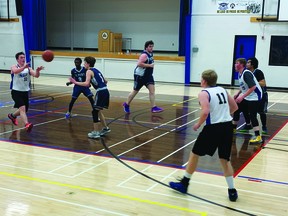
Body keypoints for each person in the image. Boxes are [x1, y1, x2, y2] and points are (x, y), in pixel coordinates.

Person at [169, 69, 239, 202]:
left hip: (213, 128)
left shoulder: (203, 93)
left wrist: (198, 124)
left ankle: (184, 184)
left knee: (194, 154)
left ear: (204, 81)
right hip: (227, 127)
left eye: (201, 79)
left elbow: (205, 111)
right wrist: (224, 115)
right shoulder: (223, 90)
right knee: (224, 159)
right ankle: (232, 191)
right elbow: (235, 107)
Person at [69, 56, 110, 139]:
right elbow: (105, 81)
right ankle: (105, 128)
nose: (83, 64)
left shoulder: (88, 71)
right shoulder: (96, 70)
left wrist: (75, 82)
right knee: (98, 111)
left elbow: (86, 84)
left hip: (101, 92)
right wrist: (94, 82)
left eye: (84, 63)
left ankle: (96, 132)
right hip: (105, 91)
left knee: (94, 112)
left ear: (88, 63)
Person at [122, 40, 163, 113]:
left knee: (152, 91)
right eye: (150, 46)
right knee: (135, 91)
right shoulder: (144, 55)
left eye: (152, 46)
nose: (151, 48)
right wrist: (149, 65)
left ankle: (154, 107)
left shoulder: (151, 54)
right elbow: (139, 64)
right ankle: (126, 104)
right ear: (146, 47)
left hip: (148, 76)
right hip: (140, 76)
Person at [8, 52, 44, 132]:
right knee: (22, 109)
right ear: (17, 59)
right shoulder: (14, 66)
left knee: (25, 109)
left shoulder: (28, 68)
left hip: (25, 92)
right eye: (21, 57)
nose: (23, 59)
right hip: (16, 92)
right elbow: (16, 71)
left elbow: (36, 75)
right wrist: (24, 67)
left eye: (24, 57)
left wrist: (38, 71)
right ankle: (27, 124)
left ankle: (12, 116)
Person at [232, 58, 263, 143]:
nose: (235, 65)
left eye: (237, 63)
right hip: (248, 96)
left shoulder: (246, 73)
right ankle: (233, 130)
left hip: (255, 97)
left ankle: (258, 137)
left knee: (252, 116)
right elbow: (243, 86)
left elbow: (253, 87)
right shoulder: (240, 73)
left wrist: (242, 97)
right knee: (236, 109)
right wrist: (238, 93)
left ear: (241, 65)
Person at [246, 57, 268, 134]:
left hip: (261, 95)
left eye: (248, 62)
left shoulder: (258, 72)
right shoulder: (247, 72)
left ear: (253, 64)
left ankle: (264, 126)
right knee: (251, 112)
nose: (247, 63)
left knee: (262, 112)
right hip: (252, 96)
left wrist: (253, 82)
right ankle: (249, 125)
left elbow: (263, 83)